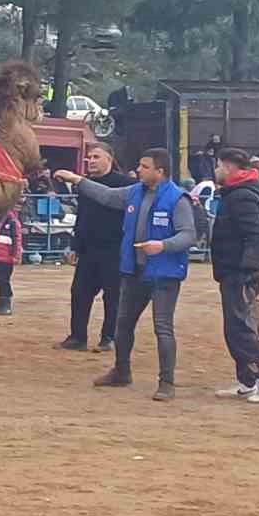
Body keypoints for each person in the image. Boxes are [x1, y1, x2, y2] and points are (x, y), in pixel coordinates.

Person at [55, 148, 197, 402]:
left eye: (144, 166)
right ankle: (121, 371)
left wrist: (163, 246)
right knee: (123, 324)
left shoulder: (178, 199)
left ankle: (167, 382)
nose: (138, 170)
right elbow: (107, 196)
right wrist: (77, 180)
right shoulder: (135, 192)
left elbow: (188, 235)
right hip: (135, 270)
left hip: (164, 273)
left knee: (162, 328)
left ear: (159, 171)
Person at [210, 148, 259, 402]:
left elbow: (256, 235)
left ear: (228, 167)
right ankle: (248, 380)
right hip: (231, 270)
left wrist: (248, 270)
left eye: (218, 165)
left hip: (238, 273)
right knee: (235, 327)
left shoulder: (242, 196)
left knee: (240, 329)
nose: (215, 170)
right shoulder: (237, 194)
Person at [60, 143, 130, 351]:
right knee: (79, 293)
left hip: (114, 249)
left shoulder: (124, 184)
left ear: (109, 159)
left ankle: (108, 338)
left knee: (113, 296)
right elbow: (82, 217)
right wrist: (75, 246)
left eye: (96, 157)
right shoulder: (85, 185)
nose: (90, 161)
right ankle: (77, 337)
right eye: (89, 158)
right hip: (89, 250)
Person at [0, 204, 24, 315]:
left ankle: (6, 305)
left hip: (6, 255)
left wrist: (17, 255)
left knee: (3, 280)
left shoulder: (12, 221)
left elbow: (17, 239)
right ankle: (3, 304)